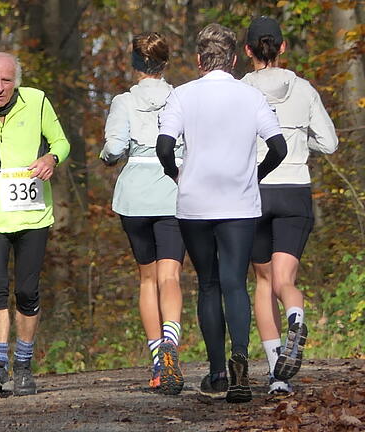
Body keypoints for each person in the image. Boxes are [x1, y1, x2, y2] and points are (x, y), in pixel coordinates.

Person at [156, 23, 287, 403]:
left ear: (198, 59)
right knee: (235, 283)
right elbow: (278, 147)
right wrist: (255, 174)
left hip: (195, 203)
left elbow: (165, 146)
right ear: (232, 59)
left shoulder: (181, 95)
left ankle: (215, 373)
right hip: (240, 204)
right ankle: (241, 368)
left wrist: (175, 174)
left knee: (208, 284)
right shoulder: (251, 96)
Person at [242, 16, 338, 394]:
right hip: (295, 188)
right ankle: (296, 315)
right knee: (286, 281)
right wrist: (299, 145)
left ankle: (277, 375)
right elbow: (329, 143)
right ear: (282, 48)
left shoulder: (242, 91)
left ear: (247, 51)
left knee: (263, 281)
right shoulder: (304, 89)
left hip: (255, 190)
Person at [0, 51, 69, 396]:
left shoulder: (37, 101)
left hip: (33, 213)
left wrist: (51, 157)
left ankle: (23, 364)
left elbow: (62, 142)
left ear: (17, 81)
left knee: (26, 291)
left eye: (6, 80)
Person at [99, 33, 186, 395]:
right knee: (171, 277)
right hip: (173, 192)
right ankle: (171, 346)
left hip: (134, 197)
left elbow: (115, 148)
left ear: (134, 65)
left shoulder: (123, 102)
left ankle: (156, 361)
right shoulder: (181, 98)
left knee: (147, 279)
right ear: (165, 64)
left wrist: (107, 155)